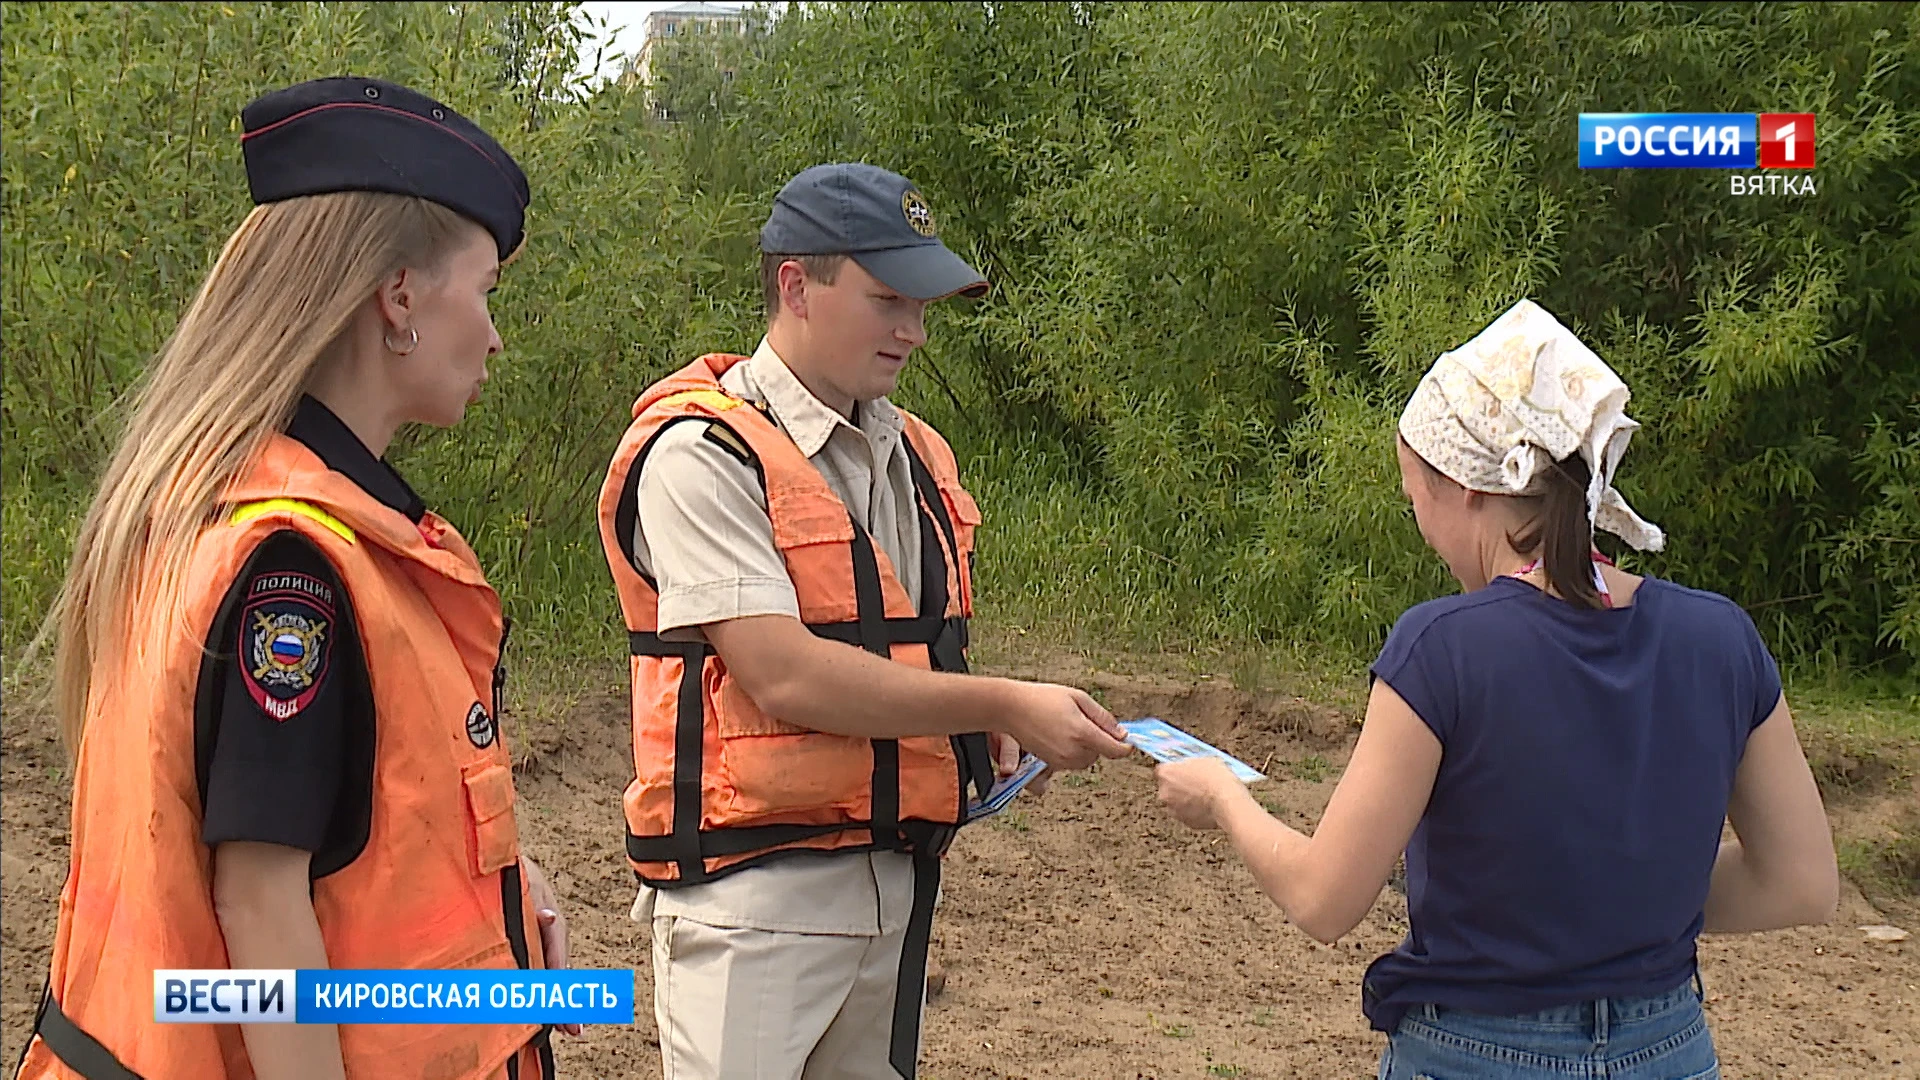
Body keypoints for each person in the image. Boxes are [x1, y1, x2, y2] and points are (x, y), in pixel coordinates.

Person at [17, 77, 572, 1080]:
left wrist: (501, 901)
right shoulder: (297, 569)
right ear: (399, 294)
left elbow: (353, 841)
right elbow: (263, 903)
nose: (495, 335)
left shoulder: (217, 505)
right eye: (485, 290)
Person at [1153, 299, 1839, 1080]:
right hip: (1671, 1050)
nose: (1422, 527)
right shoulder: (1721, 639)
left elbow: (1323, 899)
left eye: (1416, 499)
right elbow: (1800, 883)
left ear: (1467, 485)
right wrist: (1624, 902)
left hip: (1476, 1055)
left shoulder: (1441, 648)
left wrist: (1221, 796)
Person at [594, 162, 1134, 1080]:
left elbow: (910, 652)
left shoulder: (917, 452)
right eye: (888, 300)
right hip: (752, 902)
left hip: (897, 887)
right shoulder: (701, 452)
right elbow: (784, 672)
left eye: (922, 305)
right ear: (797, 287)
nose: (915, 331)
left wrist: (981, 740)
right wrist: (1000, 703)